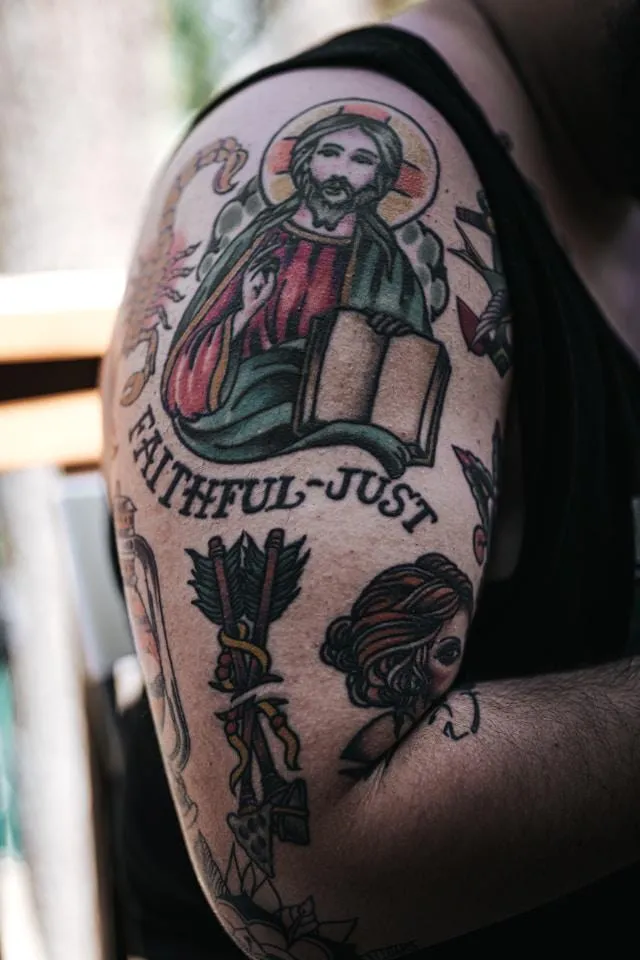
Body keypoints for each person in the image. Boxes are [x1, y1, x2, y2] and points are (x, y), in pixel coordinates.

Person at [101, 0, 640, 956]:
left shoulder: (413, 242)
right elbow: (303, 860)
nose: (346, 174)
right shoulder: (309, 121)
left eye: (364, 166)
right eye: (334, 159)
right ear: (306, 160)